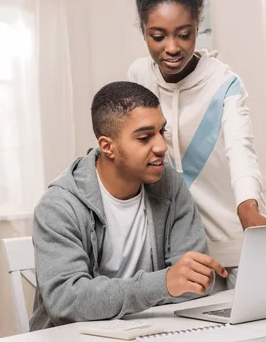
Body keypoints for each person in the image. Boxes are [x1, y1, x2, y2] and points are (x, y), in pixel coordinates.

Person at [30, 81, 227, 330]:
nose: (161, 147)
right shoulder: (59, 206)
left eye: (161, 132)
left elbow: (193, 284)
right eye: (144, 137)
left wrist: (178, 281)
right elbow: (66, 302)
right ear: (107, 146)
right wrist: (164, 283)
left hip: (151, 332)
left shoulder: (171, 186)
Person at [127, 0, 266, 289]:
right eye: (158, 36)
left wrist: (248, 206)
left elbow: (240, 149)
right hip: (177, 256)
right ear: (143, 32)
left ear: (197, 28)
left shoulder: (224, 83)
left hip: (235, 244)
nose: (172, 48)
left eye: (184, 34)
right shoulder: (138, 76)